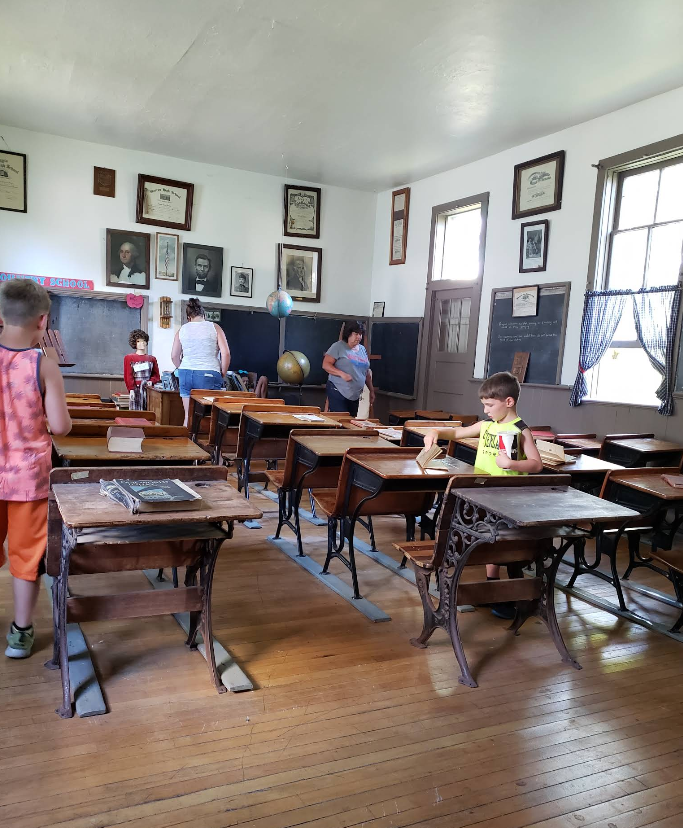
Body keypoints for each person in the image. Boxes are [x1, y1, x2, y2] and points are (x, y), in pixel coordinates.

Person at [423, 371, 542, 620]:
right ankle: (491, 587)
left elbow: (536, 464)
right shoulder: (487, 426)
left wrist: (512, 465)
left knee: (502, 545)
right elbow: (456, 433)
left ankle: (504, 593)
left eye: (490, 405)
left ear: (508, 402)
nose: (486, 410)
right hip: (480, 494)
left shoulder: (520, 430)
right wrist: (435, 431)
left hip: (506, 497)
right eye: (484, 405)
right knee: (488, 539)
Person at [0, 279, 71, 658]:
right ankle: (20, 634)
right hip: (27, 477)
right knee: (26, 556)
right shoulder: (43, 365)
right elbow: (60, 427)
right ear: (43, 320)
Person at [171, 297, 231, 426]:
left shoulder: (182, 330)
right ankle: (209, 445)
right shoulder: (214, 327)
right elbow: (226, 353)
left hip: (186, 373)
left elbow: (174, 355)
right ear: (204, 315)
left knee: (188, 415)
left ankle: (186, 443)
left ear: (189, 317)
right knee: (210, 416)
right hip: (209, 373)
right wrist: (223, 373)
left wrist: (181, 368)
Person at [322, 321, 375, 417]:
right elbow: (326, 365)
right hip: (338, 390)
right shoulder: (338, 346)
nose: (359, 337)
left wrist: (371, 390)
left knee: (351, 422)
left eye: (360, 334)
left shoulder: (362, 349)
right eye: (356, 334)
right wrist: (342, 374)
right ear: (349, 334)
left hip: (355, 394)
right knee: (342, 421)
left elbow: (366, 372)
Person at [123, 329, 161, 410]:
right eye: (138, 341)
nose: (142, 343)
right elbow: (128, 375)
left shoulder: (152, 359)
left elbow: (156, 375)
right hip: (136, 390)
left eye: (144, 340)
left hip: (148, 390)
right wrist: (131, 390)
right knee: (136, 413)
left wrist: (152, 381)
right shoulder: (129, 358)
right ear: (134, 343)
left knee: (149, 411)